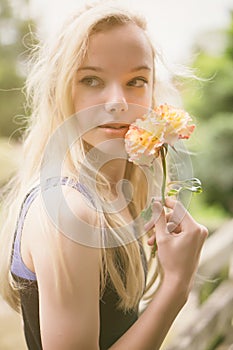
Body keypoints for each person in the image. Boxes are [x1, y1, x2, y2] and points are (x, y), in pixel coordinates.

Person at [0, 1, 208, 349]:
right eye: (91, 80)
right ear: (60, 91)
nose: (117, 101)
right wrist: (177, 285)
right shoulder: (70, 211)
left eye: (136, 80)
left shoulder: (111, 194)